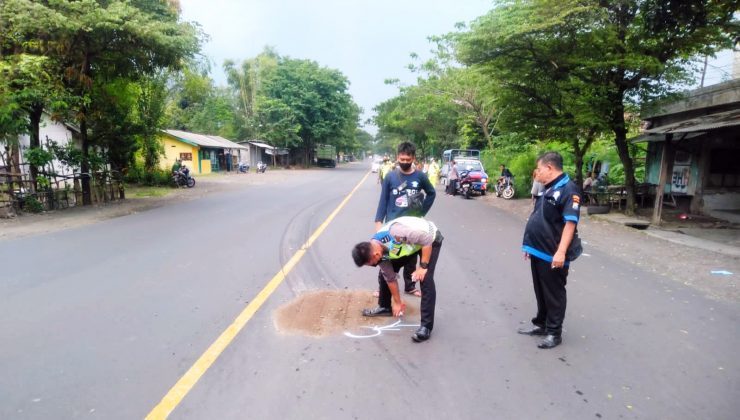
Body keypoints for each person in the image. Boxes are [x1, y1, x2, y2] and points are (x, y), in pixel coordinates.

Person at [519, 152, 582, 349]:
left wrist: (561, 252)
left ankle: (554, 332)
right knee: (541, 290)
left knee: (554, 292)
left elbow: (570, 224)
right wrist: (530, 245)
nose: (537, 173)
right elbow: (541, 217)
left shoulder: (569, 190)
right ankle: (542, 324)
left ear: (549, 168)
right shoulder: (549, 188)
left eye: (539, 169)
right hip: (538, 249)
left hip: (553, 253)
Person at [352, 216, 444, 343]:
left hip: (429, 240)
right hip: (410, 245)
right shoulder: (376, 250)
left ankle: (426, 327)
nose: (372, 265)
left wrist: (423, 267)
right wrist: (397, 302)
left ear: (376, 255)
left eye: (370, 263)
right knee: (384, 273)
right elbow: (390, 278)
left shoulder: (396, 233)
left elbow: (426, 240)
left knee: (425, 279)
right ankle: (385, 307)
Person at [375, 142, 436, 297]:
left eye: (407, 159)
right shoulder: (390, 177)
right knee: (389, 259)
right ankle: (383, 287)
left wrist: (422, 212)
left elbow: (431, 193)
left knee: (410, 259)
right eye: (401, 159)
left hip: (412, 225)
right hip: (392, 226)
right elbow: (383, 200)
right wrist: (378, 223)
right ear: (397, 157)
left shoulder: (420, 176)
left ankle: (409, 286)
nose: (404, 162)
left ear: (413, 158)